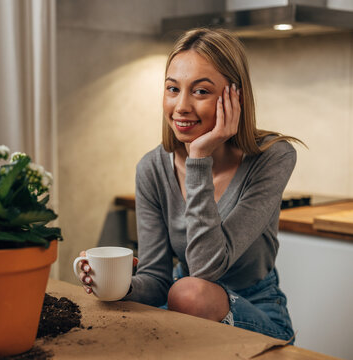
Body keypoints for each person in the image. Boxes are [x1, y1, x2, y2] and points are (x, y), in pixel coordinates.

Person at [77, 27, 302, 342]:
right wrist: (119, 286)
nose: (181, 106)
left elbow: (204, 271)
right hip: (180, 302)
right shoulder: (152, 168)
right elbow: (156, 278)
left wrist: (198, 159)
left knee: (189, 291)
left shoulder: (273, 157)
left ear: (235, 96)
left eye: (200, 91)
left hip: (254, 306)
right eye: (172, 89)